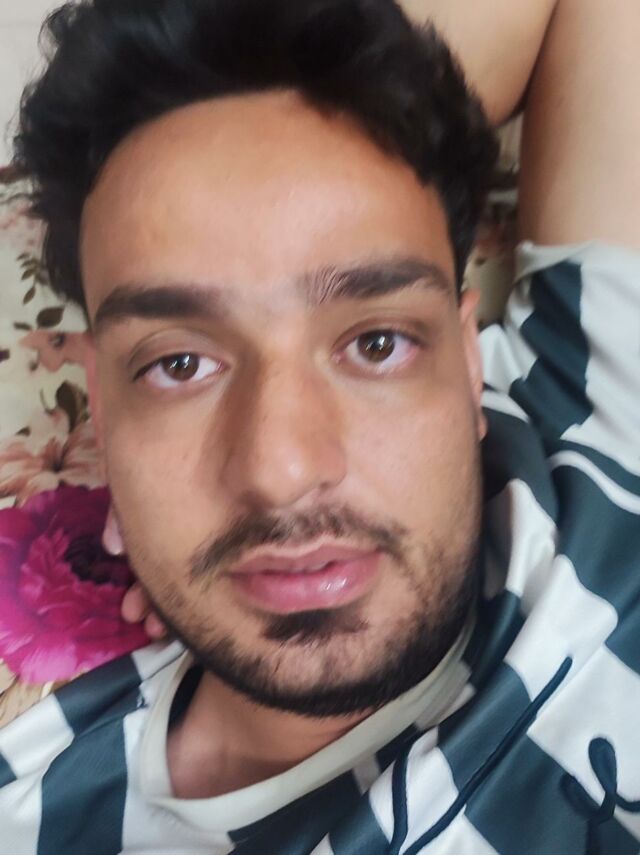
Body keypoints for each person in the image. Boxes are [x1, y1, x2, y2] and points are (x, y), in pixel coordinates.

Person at [2, 0, 639, 852]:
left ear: (467, 358)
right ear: (105, 413)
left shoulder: (597, 405)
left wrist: (353, 92)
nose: (282, 471)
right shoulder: (33, 813)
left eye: (377, 343)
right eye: (179, 365)